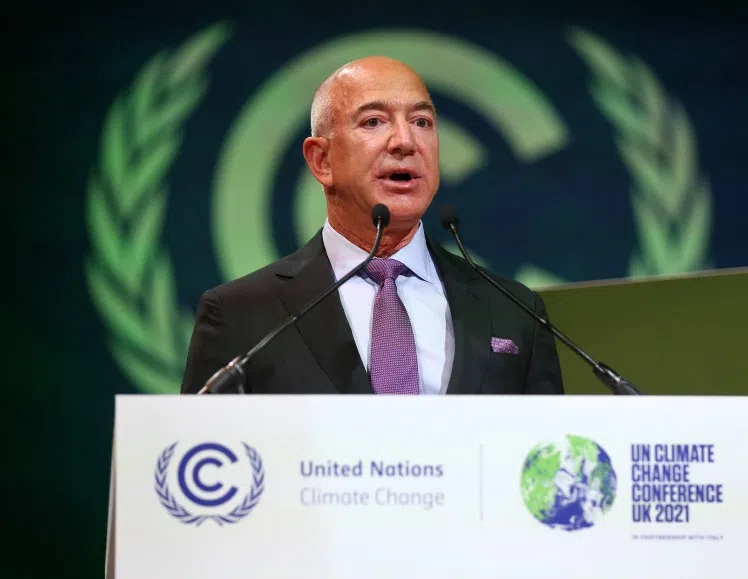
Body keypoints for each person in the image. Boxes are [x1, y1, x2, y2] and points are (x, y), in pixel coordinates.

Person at [180, 56, 564, 395]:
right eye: (374, 121)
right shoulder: (242, 315)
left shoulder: (516, 311)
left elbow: (548, 461)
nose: (405, 141)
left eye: (422, 121)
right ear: (321, 161)